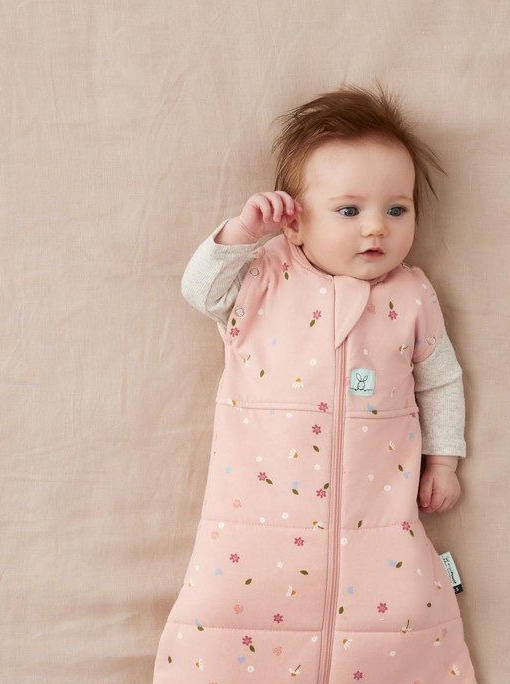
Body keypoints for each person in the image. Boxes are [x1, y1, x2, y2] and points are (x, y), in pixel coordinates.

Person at [180, 82, 467, 513]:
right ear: (294, 224)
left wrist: (443, 462)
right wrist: (243, 233)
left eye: (396, 210)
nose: (377, 227)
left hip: (374, 508)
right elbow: (200, 291)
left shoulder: (412, 295)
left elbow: (440, 381)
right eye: (349, 211)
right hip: (257, 506)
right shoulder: (263, 277)